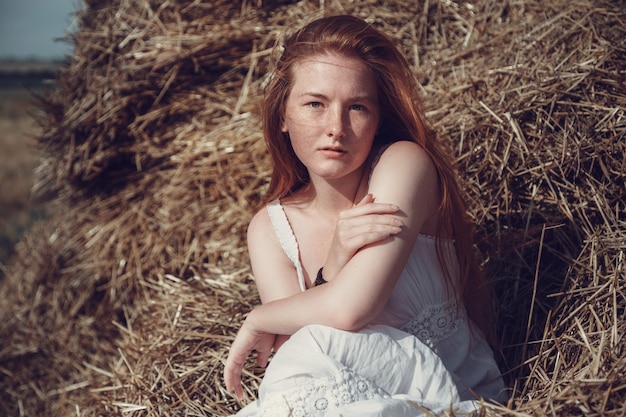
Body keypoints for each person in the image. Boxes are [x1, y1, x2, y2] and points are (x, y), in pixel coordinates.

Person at [224, 14, 507, 416]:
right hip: (341, 395)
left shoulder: (403, 166)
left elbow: (350, 310)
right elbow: (300, 355)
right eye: (315, 104)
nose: (336, 127)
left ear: (378, 120)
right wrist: (333, 265)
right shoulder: (270, 229)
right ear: (283, 116)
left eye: (357, 107)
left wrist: (258, 318)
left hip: (448, 395)